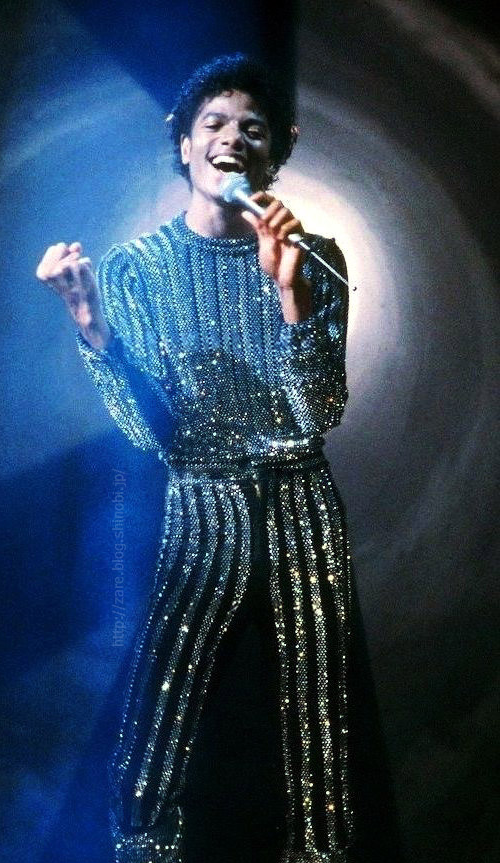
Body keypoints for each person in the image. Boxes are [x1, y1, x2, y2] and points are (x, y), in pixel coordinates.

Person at [36, 54, 354, 863]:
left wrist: (289, 293)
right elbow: (153, 433)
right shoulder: (136, 270)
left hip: (302, 503)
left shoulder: (318, 258)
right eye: (213, 122)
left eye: (252, 127)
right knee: (162, 695)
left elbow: (320, 412)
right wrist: (95, 332)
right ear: (183, 144)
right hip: (201, 500)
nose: (232, 138)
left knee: (318, 704)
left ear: (276, 152)